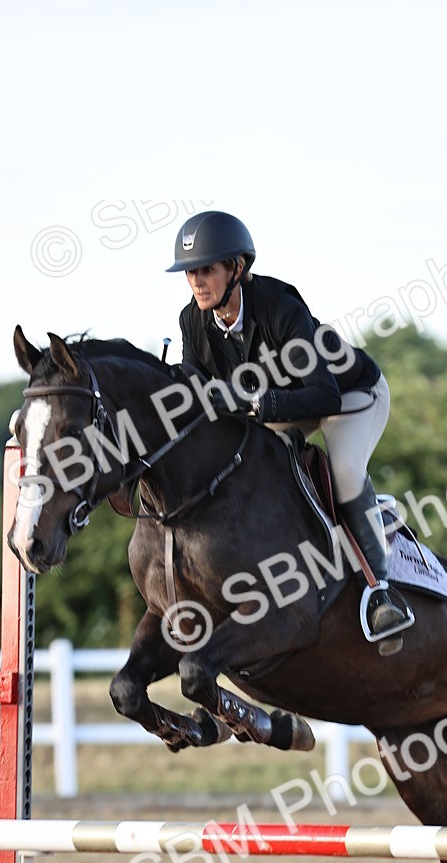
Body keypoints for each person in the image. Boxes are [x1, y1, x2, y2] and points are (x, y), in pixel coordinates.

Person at [166, 210, 414, 653]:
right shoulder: (193, 321)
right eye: (190, 272)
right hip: (283, 402)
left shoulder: (280, 307)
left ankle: (382, 590)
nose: (196, 281)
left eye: (206, 269)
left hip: (352, 394)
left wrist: (252, 403)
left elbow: (325, 396)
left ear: (237, 269)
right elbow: (194, 385)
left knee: (342, 472)